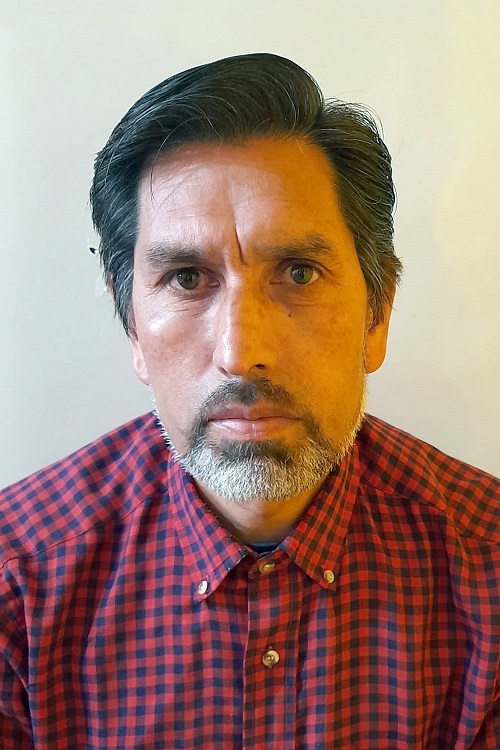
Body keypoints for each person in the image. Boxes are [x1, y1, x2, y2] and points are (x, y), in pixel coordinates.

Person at [0, 53, 499, 750]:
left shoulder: (488, 570)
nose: (241, 353)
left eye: (299, 273)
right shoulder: (17, 582)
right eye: (186, 278)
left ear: (377, 314)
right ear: (131, 325)